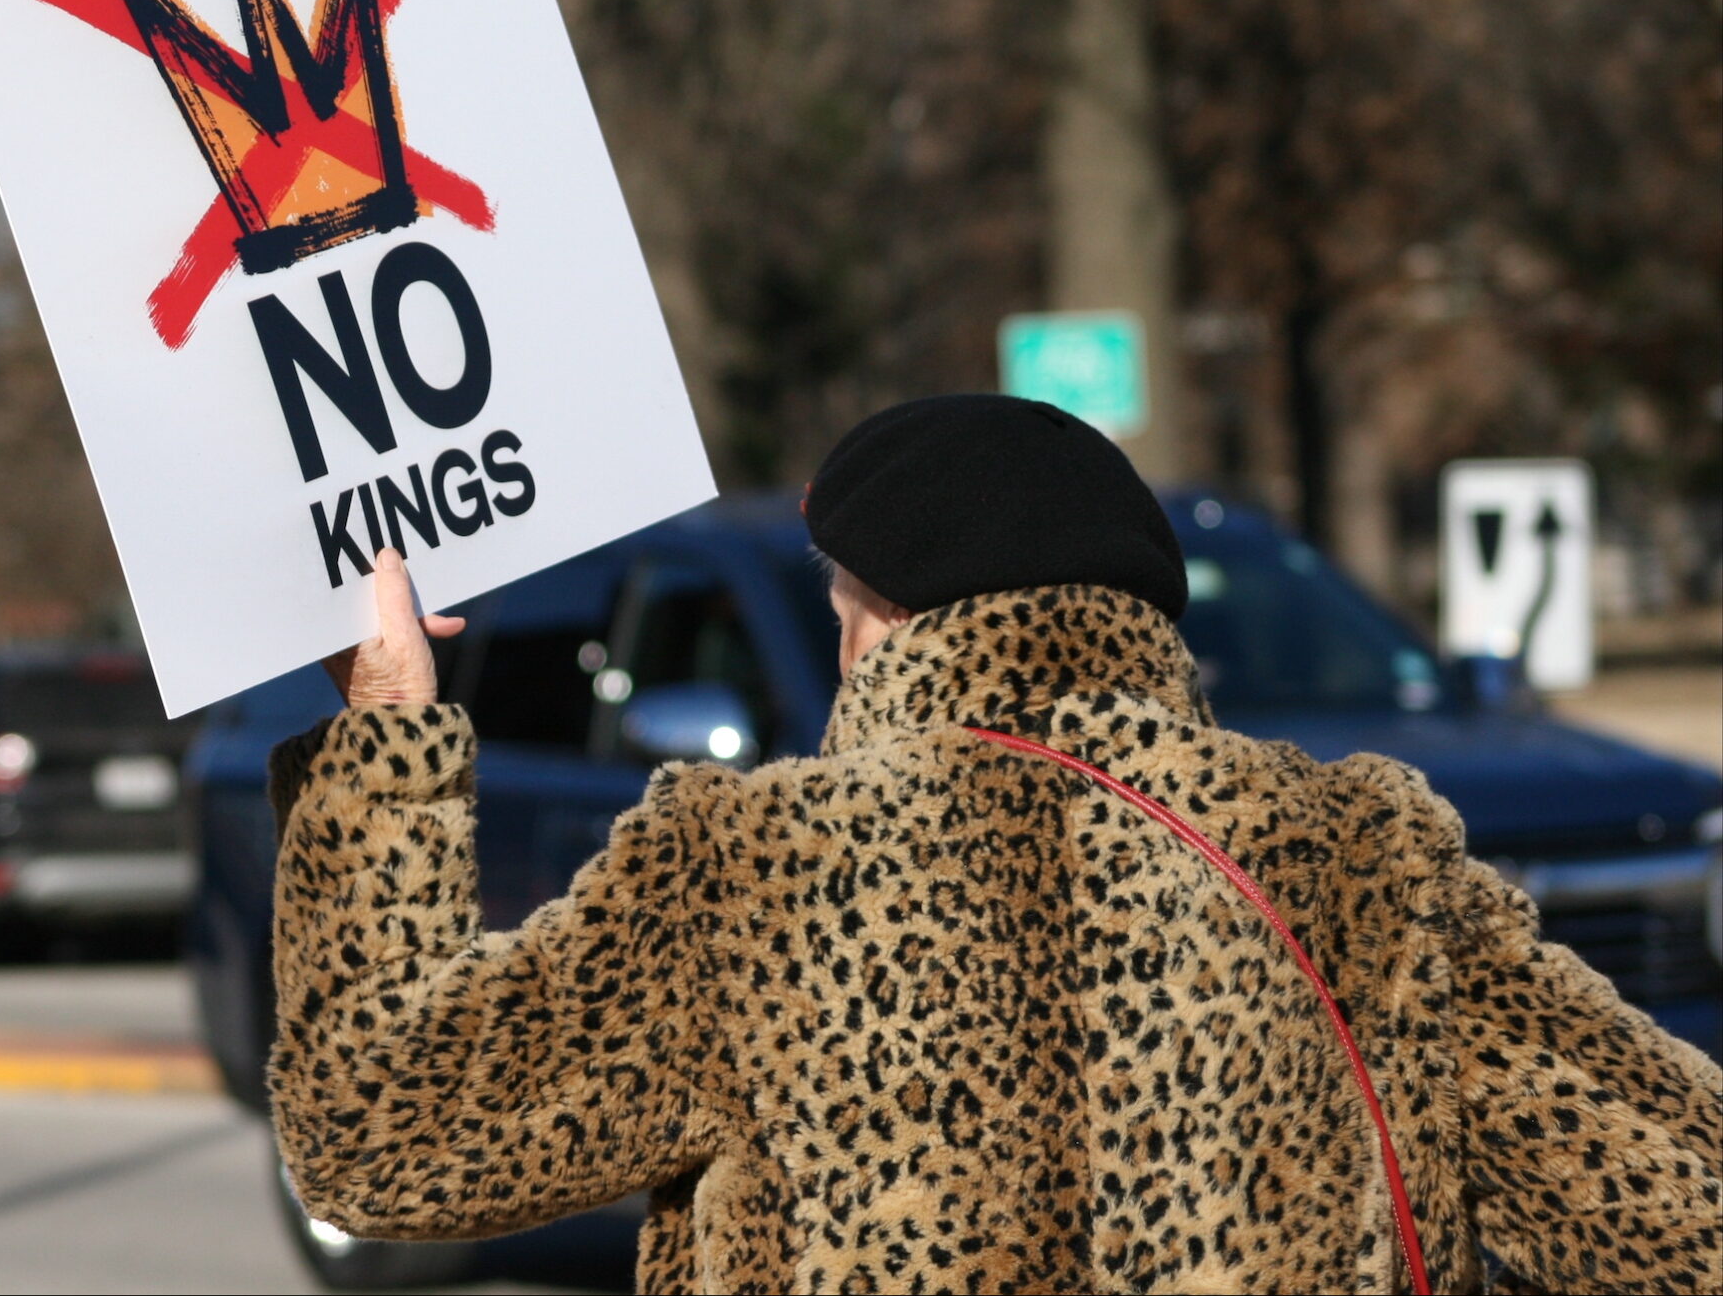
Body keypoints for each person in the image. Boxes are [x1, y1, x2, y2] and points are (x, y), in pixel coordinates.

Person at [265, 394, 1722, 1294]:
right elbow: (1681, 1214)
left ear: (875, 613)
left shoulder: (752, 874)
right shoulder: (1366, 865)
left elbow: (380, 1144)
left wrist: (385, 738)